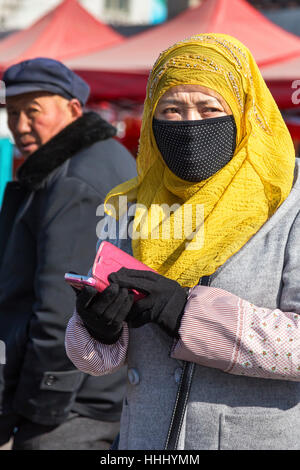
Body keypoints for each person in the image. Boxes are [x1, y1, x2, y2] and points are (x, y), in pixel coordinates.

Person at [65, 34, 300, 450]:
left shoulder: (289, 202)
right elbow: (99, 361)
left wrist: (184, 312)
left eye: (210, 108)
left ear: (245, 113)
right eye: (171, 110)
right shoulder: (130, 204)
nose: (190, 124)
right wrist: (97, 328)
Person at [0, 58, 136, 450]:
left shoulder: (74, 180)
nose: (20, 125)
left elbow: (62, 308)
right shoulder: (95, 159)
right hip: (96, 394)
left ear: (74, 110)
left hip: (72, 408)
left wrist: (38, 405)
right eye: (12, 112)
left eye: (32, 112)